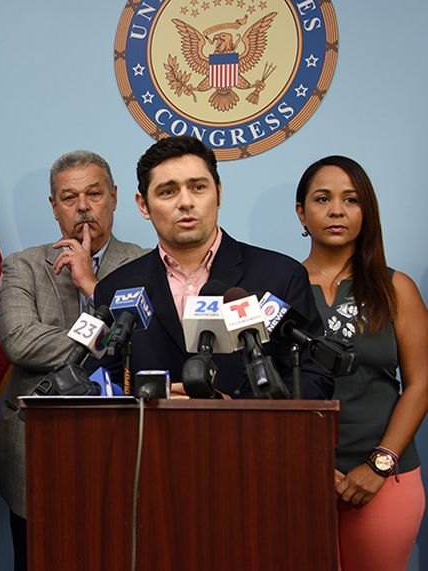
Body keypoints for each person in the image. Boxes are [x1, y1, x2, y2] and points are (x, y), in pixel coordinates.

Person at [0, 150, 146, 569]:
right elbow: (21, 343)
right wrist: (108, 332)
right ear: (54, 206)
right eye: (69, 197)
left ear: (114, 197)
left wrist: (92, 286)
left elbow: (148, 345)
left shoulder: (146, 264)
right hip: (38, 445)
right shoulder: (22, 266)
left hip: (122, 443)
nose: (83, 207)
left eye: (94, 193)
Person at [94, 136, 333, 399]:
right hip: (149, 437)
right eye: (168, 191)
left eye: (198, 187)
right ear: (143, 205)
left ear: (218, 192)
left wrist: (235, 408)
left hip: (252, 438)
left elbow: (312, 378)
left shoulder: (280, 276)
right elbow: (104, 383)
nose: (185, 202)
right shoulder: (117, 289)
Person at [295, 156, 427, 571]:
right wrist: (311, 466)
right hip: (297, 479)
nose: (337, 210)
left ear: (366, 211)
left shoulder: (395, 288)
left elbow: (421, 384)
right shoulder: (279, 288)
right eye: (322, 199)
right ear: (302, 212)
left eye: (351, 200)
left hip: (385, 479)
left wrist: (379, 464)